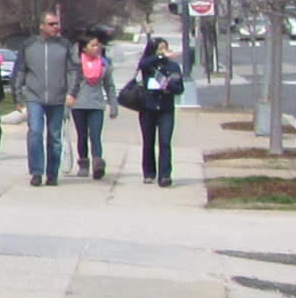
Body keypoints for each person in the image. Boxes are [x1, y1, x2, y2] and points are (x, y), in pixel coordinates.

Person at [13, 10, 77, 187]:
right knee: (35, 132)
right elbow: (20, 70)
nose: (56, 27)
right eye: (51, 24)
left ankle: (52, 173)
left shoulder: (65, 45)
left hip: (58, 98)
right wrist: (17, 96)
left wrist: (72, 93)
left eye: (57, 24)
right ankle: (36, 172)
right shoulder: (29, 45)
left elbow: (74, 70)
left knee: (55, 137)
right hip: (35, 97)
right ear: (41, 26)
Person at [125, 35, 185, 185]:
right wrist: (159, 56)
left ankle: (165, 175)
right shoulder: (148, 65)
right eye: (160, 49)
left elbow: (179, 88)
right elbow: (143, 64)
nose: (164, 52)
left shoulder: (173, 67)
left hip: (166, 109)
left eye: (166, 48)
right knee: (148, 141)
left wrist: (169, 86)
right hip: (148, 108)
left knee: (165, 142)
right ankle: (149, 172)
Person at [69, 32, 115, 178]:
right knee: (82, 135)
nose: (97, 48)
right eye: (93, 45)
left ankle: (97, 164)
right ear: (84, 48)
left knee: (95, 135)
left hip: (97, 104)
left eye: (98, 45)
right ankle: (83, 164)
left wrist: (113, 105)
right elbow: (69, 85)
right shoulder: (75, 65)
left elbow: (109, 86)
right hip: (79, 105)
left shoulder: (104, 64)